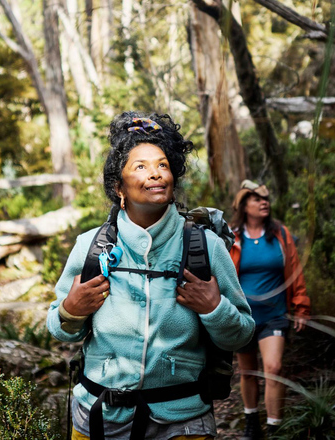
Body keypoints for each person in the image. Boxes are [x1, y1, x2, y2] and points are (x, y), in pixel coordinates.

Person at [47, 112, 255, 440]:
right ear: (119, 187)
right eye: (140, 166)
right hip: (100, 418)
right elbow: (60, 330)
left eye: (163, 165)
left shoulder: (206, 247)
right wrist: (70, 310)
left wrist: (215, 309)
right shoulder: (90, 246)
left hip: (182, 421)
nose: (155, 174)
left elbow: (242, 335)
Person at [228, 180, 311, 439]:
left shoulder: (281, 235)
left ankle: (275, 428)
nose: (264, 202)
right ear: (243, 206)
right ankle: (252, 422)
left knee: (273, 368)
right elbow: (223, 276)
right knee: (248, 372)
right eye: (255, 199)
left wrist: (300, 306)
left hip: (274, 315)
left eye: (265, 199)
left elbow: (295, 271)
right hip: (243, 318)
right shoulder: (232, 237)